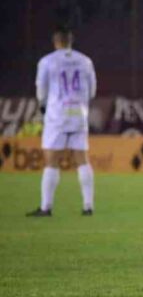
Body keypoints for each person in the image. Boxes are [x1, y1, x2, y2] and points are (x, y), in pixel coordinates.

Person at [27, 25, 97, 217]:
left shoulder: (47, 61)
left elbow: (41, 89)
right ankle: (88, 206)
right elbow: (92, 90)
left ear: (56, 40)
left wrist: (43, 107)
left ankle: (46, 207)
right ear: (71, 40)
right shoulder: (85, 61)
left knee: (51, 160)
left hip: (57, 114)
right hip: (78, 113)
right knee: (82, 158)